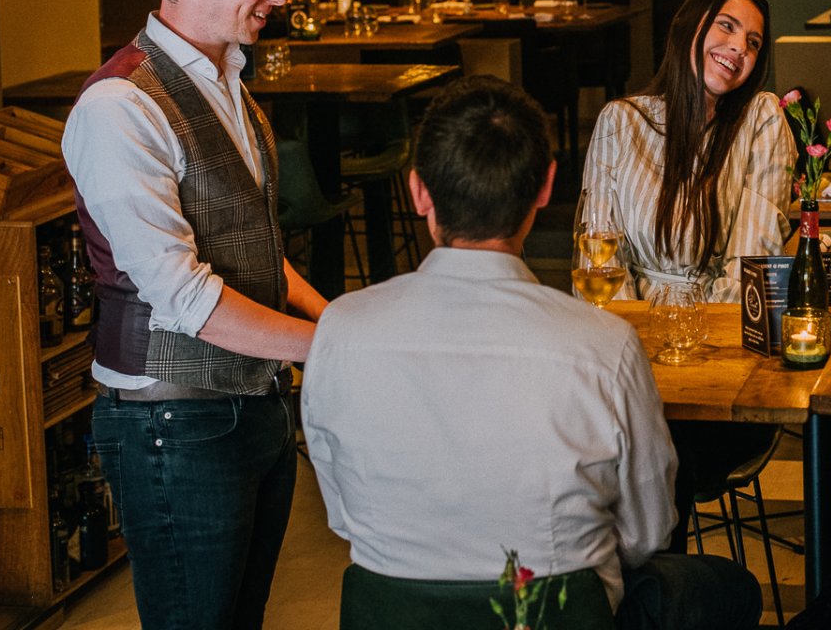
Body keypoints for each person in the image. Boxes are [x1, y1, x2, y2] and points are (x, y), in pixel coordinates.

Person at [301, 76, 761, 630]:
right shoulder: (604, 344)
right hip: (558, 616)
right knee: (732, 589)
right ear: (545, 188)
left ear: (419, 191)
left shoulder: (340, 329)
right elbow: (647, 531)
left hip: (390, 615)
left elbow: (344, 516)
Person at [63, 0, 328, 629]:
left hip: (253, 403)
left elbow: (254, 247)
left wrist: (337, 317)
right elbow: (183, 296)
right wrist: (333, 346)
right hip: (171, 423)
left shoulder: (227, 80)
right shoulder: (119, 105)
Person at [582, 0, 795, 550]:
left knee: (654, 448)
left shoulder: (760, 121)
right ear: (690, 28)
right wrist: (632, 361)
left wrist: (686, 348)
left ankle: (658, 586)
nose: (739, 49)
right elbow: (598, 262)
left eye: (753, 42)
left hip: (720, 369)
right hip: (631, 361)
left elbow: (753, 265)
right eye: (727, 26)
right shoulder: (620, 121)